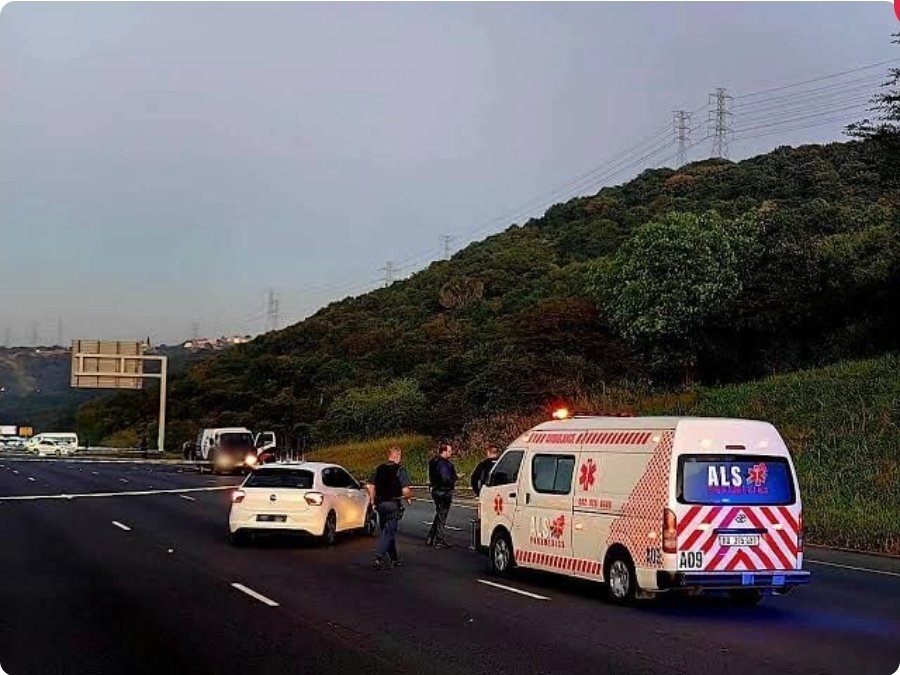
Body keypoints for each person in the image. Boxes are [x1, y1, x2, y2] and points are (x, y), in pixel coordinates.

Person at [368, 445, 412, 570]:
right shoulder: (400, 469)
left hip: (380, 504)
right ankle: (378, 557)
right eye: (400, 455)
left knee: (386, 531)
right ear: (397, 456)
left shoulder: (379, 468)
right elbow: (405, 489)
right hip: (393, 504)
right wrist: (408, 498)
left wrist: (372, 502)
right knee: (389, 531)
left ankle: (394, 558)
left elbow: (370, 486)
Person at [426, 441, 458, 548]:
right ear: (443, 451)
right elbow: (445, 478)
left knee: (439, 513)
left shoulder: (433, 461)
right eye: (449, 451)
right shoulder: (445, 464)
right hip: (444, 491)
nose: (451, 453)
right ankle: (439, 539)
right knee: (442, 515)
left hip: (435, 490)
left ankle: (431, 537)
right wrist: (454, 478)